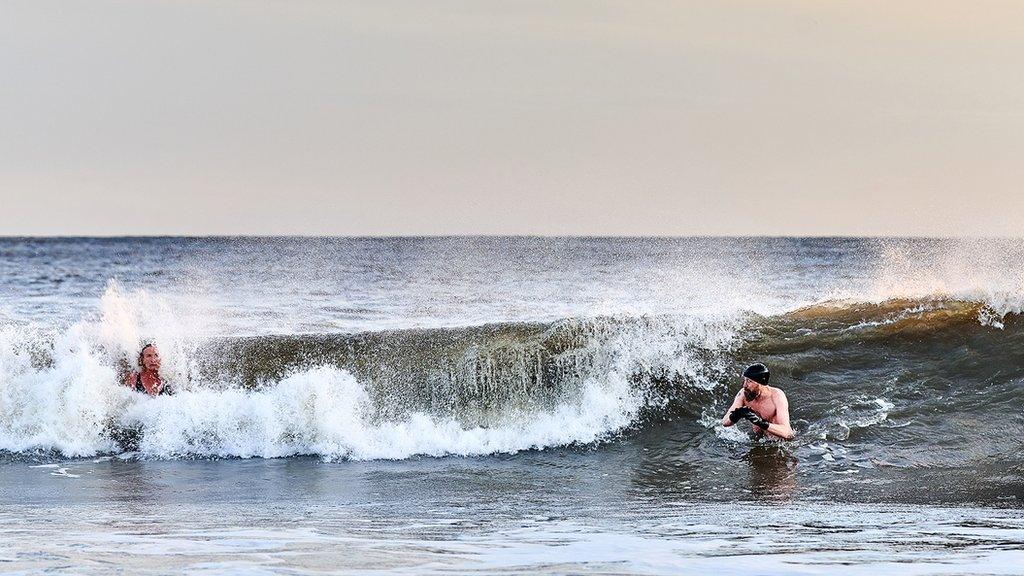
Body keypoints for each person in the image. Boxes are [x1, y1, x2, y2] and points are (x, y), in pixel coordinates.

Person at [721, 363, 794, 440]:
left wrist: (759, 422)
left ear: (760, 383)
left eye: (749, 381)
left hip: (779, 443)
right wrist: (737, 414)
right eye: (745, 380)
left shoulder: (777, 396)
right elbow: (725, 422)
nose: (744, 385)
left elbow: (787, 433)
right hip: (759, 439)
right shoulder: (743, 393)